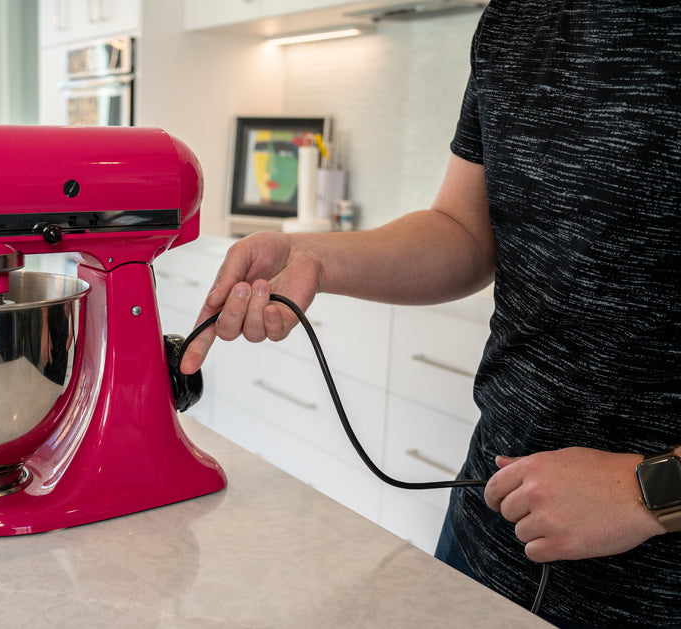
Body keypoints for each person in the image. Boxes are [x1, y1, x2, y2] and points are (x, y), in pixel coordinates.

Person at [180, 2, 681, 628]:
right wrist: (314, 255)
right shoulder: (513, 19)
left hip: (656, 582)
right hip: (489, 519)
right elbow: (463, 230)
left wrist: (648, 491)